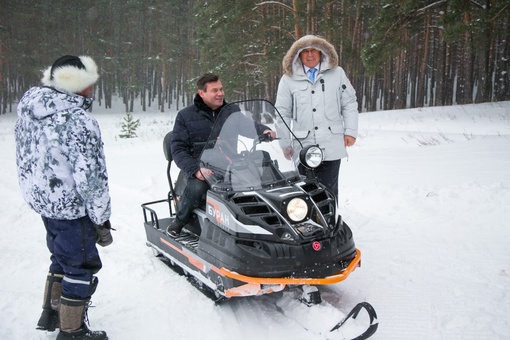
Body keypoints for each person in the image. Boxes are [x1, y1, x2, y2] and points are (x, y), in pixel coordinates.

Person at [14, 55, 113, 340]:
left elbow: (26, 160)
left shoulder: (31, 112)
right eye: (88, 82)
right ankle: (72, 331)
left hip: (46, 205)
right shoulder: (78, 121)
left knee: (61, 258)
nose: (93, 87)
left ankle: (51, 313)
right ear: (75, 84)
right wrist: (101, 218)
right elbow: (91, 178)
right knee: (80, 266)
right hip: (72, 209)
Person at [167, 73, 275, 238]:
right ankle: (180, 221)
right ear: (202, 93)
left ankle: (271, 219)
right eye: (214, 90)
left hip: (231, 163)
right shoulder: (186, 116)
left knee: (264, 166)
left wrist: (263, 131)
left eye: (221, 89)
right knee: (197, 188)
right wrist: (196, 170)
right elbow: (178, 149)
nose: (220, 93)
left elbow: (247, 126)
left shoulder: (230, 111)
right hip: (203, 168)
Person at [275, 35, 359, 202]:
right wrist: (285, 143)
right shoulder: (288, 79)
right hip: (303, 146)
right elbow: (282, 113)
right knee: (306, 192)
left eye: (314, 50)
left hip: (331, 144)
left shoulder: (337, 73)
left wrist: (350, 131)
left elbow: (349, 103)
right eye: (305, 51)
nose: (310, 54)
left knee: (329, 190)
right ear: (298, 55)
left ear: (322, 52)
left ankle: (331, 224)